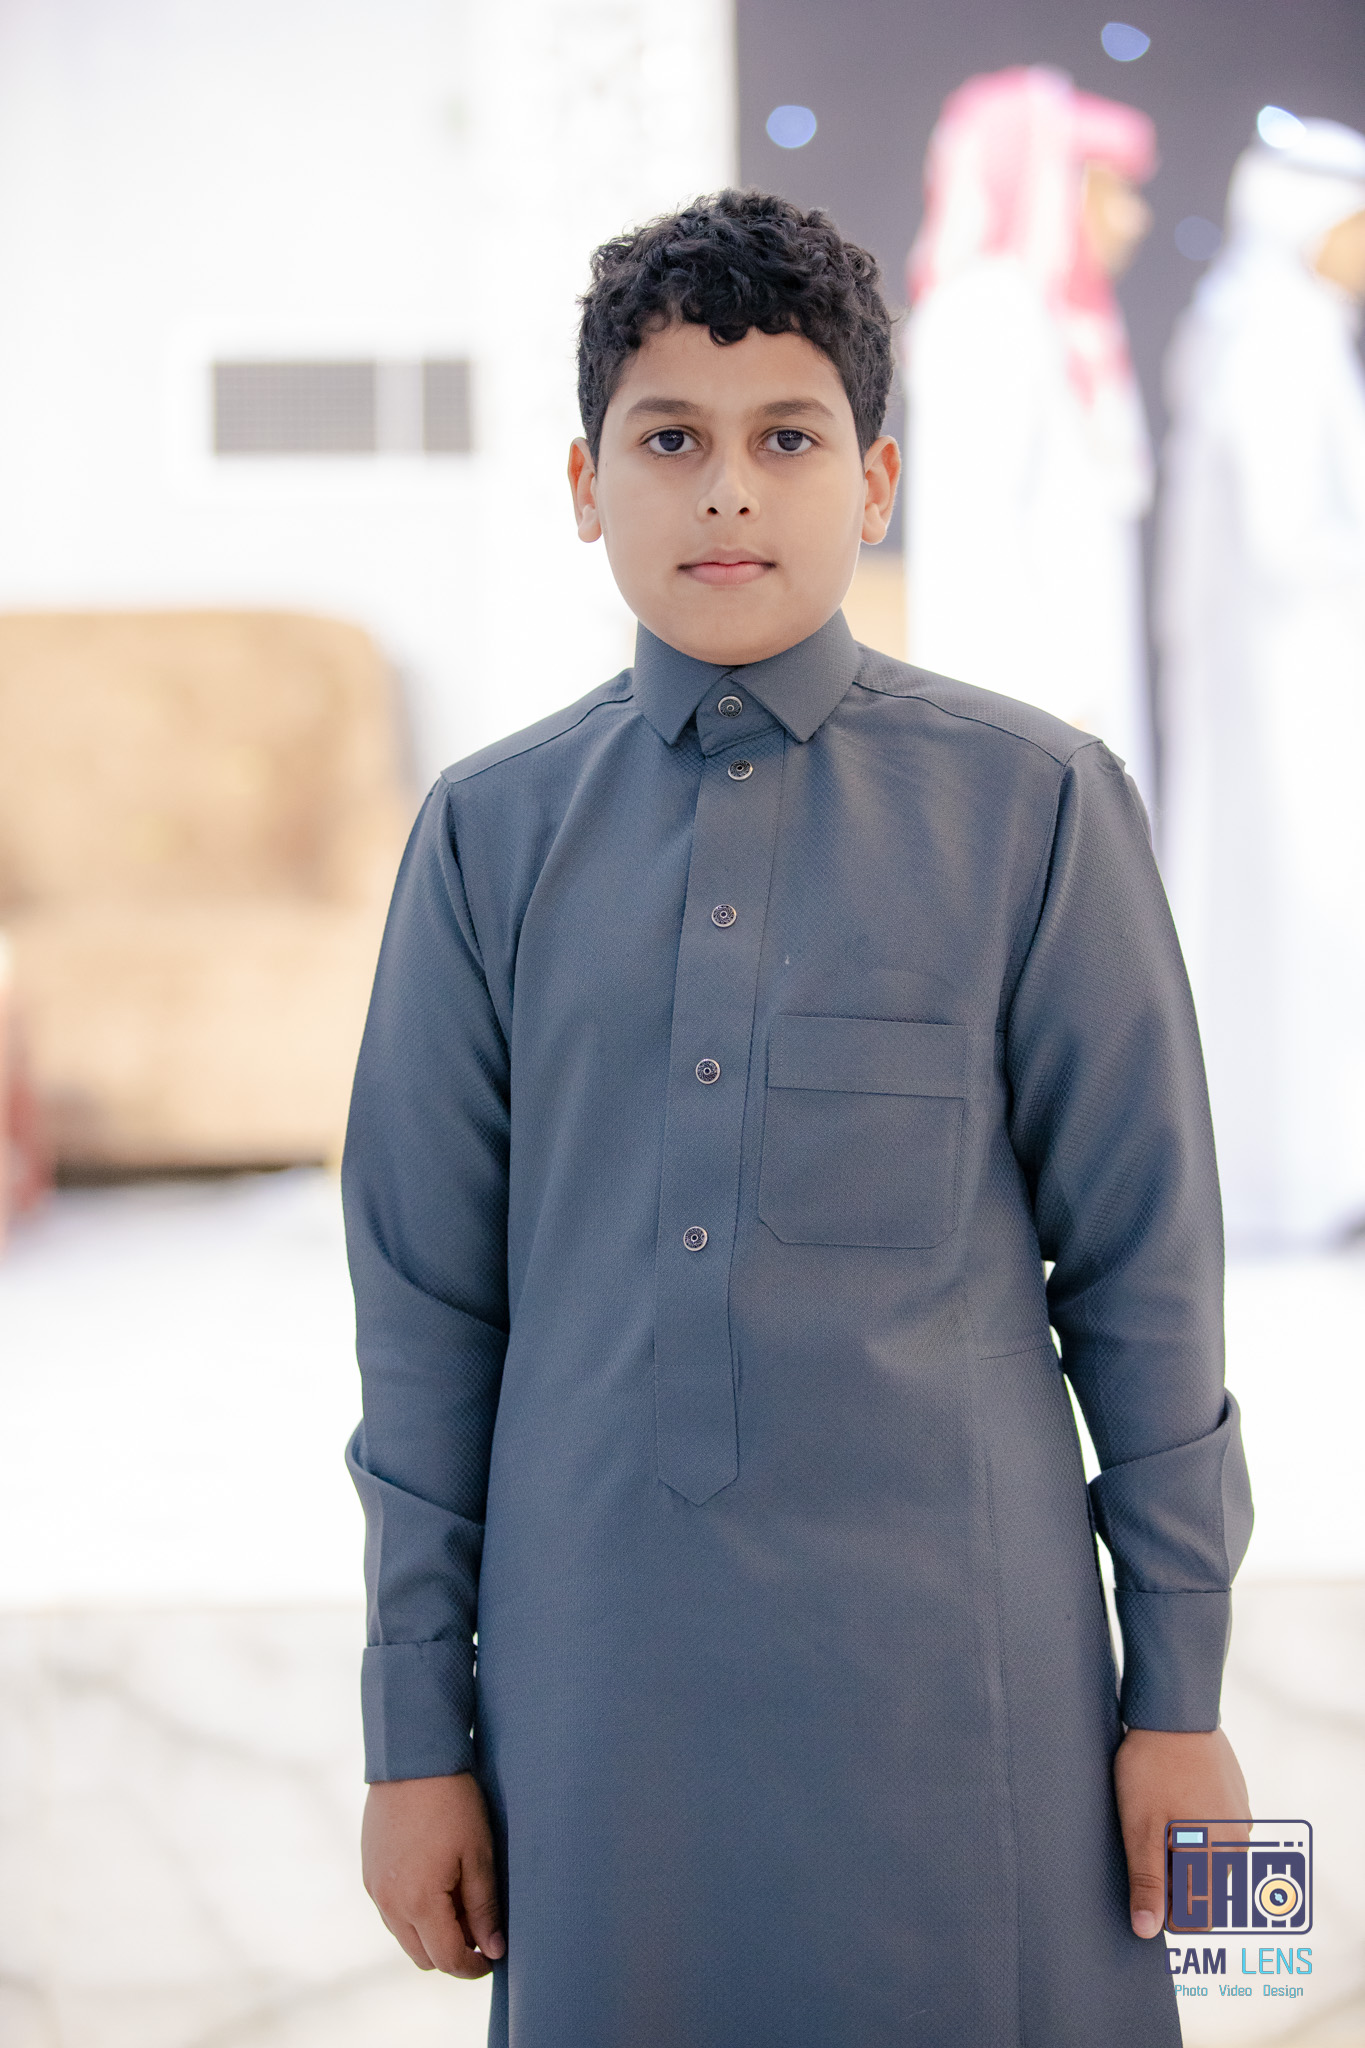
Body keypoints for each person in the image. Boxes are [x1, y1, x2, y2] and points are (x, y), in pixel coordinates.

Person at [344, 190, 1251, 2047]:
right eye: (670, 440)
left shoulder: (1038, 805)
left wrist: (1182, 1700)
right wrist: (410, 1737)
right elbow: (425, 1317)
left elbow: (1148, 1281)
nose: (729, 495)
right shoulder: (487, 838)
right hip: (599, 1700)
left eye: (788, 438)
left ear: (877, 479)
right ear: (585, 485)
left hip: (971, 1688)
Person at [1159, 119, 1365, 1249]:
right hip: (1296, 687)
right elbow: (1291, 542)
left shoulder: (1276, 325)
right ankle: (1309, 1176)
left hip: (1301, 676)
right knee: (1306, 912)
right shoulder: (1272, 335)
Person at [906, 67, 1157, 801]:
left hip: (1070, 708)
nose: (1133, 220)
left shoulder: (1058, 324)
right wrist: (1045, 711)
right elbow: (976, 540)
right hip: (1029, 719)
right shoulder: (988, 313)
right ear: (1052, 186)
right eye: (1111, 192)